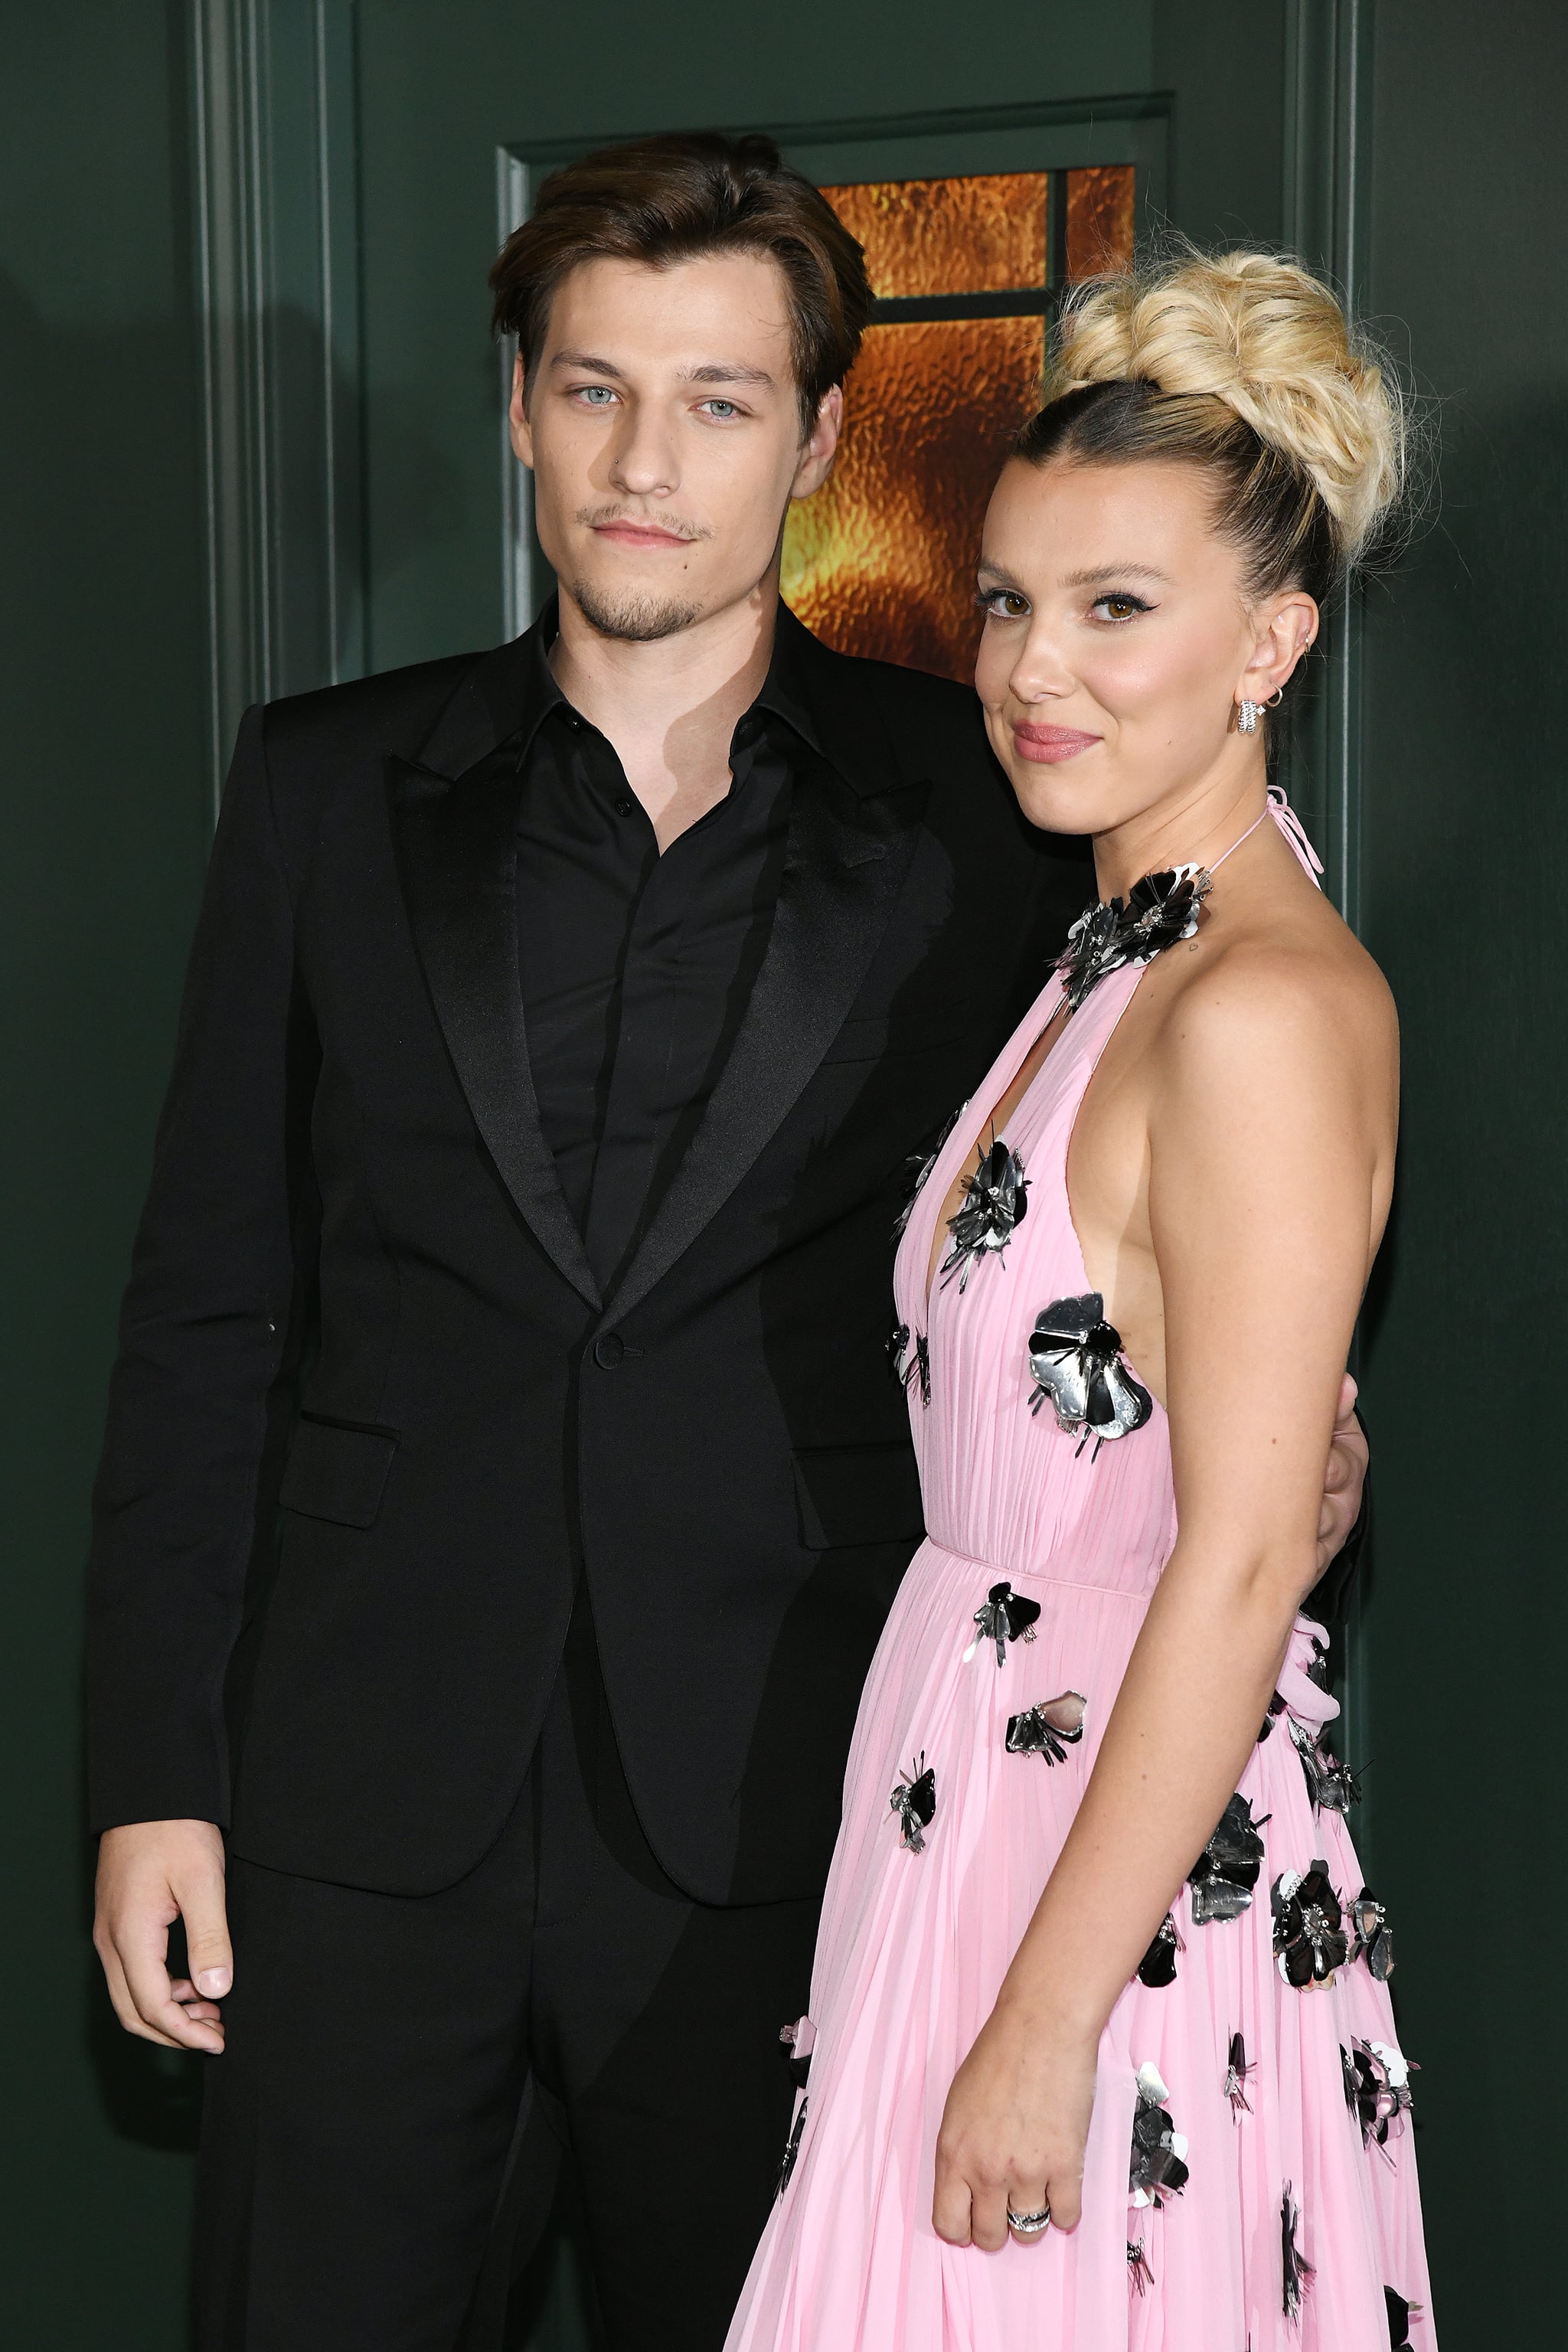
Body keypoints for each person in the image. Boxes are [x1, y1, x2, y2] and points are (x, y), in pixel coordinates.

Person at [85, 136, 1367, 2352]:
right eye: (591, 391)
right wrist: (151, 1782)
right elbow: (208, 1306)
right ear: (516, 409)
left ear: (819, 438)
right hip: (361, 1820)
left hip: (803, 1823)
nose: (642, 463)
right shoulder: (318, 788)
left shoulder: (995, 802)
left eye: (714, 399)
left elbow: (1155, 1234)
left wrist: (1289, 1479)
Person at [725, 250, 1429, 2352]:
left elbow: (1230, 1575)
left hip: (1107, 1892)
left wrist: (1041, 2026)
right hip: (983, 1799)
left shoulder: (1259, 1011)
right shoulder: (1117, 939)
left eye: (1120, 607)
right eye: (1014, 598)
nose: (1037, 666)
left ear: (1272, 638)